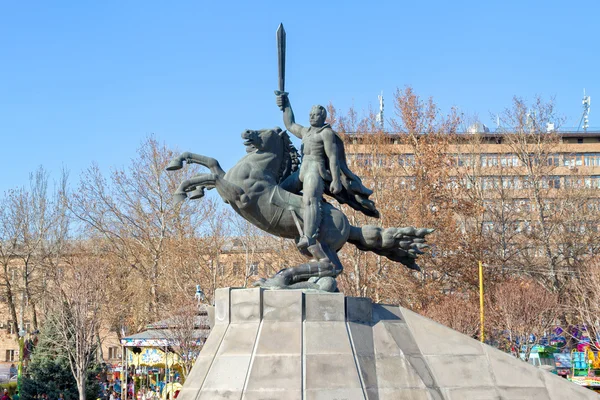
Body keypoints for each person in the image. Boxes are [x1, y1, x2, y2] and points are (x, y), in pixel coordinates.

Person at [276, 93, 379, 252]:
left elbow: (332, 158)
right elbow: (289, 124)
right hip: (302, 170)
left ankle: (309, 236)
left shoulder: (326, 133)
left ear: (323, 117)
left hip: (315, 171)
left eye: (315, 114)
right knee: (280, 191)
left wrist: (336, 180)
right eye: (310, 114)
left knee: (311, 200)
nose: (312, 117)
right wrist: (285, 103)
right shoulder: (306, 131)